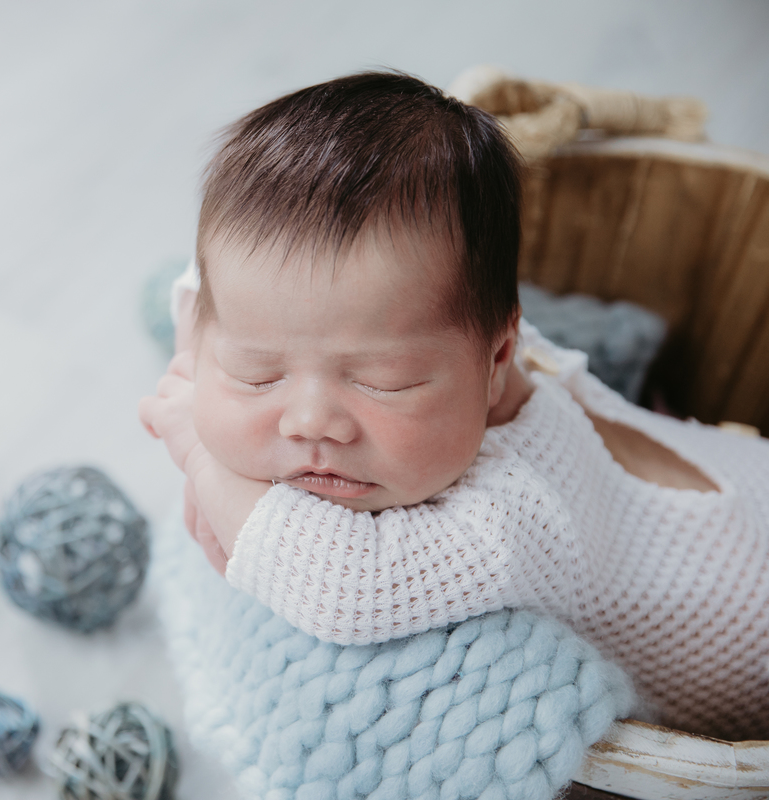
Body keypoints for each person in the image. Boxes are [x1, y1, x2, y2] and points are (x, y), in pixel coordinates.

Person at [139, 71, 769, 741]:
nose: (310, 421)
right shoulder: (440, 364)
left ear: (499, 361)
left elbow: (351, 584)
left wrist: (201, 455)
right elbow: (202, 288)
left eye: (383, 381)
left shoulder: (520, 509)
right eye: (257, 372)